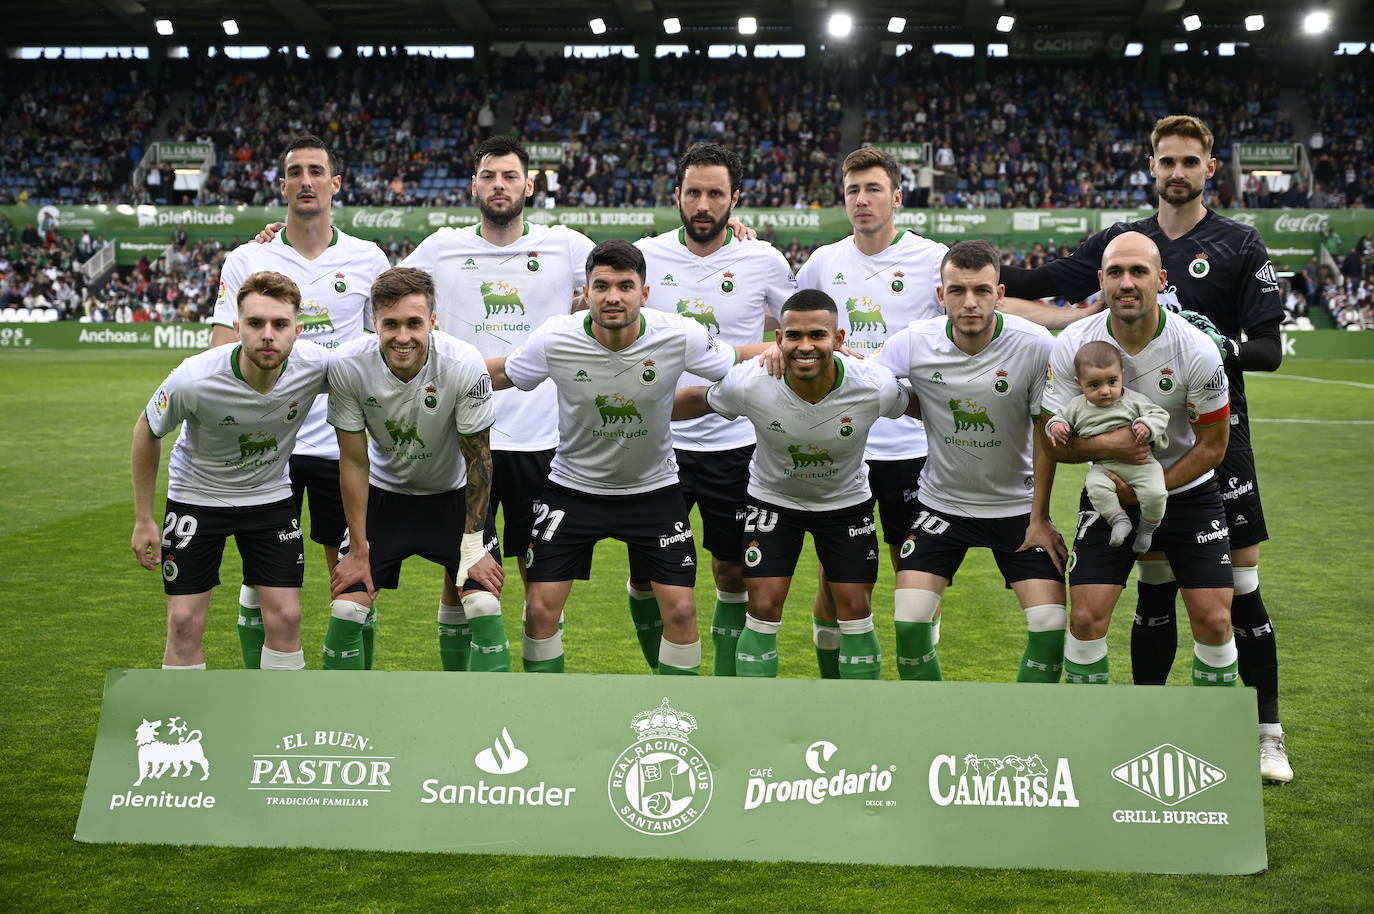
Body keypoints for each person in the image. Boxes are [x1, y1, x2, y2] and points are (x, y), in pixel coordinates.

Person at [1002, 115, 1291, 782]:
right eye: (1167, 161)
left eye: (1189, 161)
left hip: (1214, 440)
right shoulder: (1122, 242)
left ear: (1208, 168)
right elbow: (1042, 274)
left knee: (1237, 591)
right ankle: (1146, 729)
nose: (1177, 172)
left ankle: (1265, 731)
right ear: (1153, 167)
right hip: (1122, 450)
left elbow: (1269, 349)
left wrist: (1209, 345)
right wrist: (976, 271)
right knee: (1153, 585)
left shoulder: (1239, 243)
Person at [797, 147, 1092, 678]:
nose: (862, 201)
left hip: (915, 449)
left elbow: (987, 306)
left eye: (873, 190)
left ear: (897, 197)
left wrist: (1074, 317)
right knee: (835, 579)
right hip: (852, 442)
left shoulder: (934, 257)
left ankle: (923, 690)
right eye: (852, 191)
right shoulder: (823, 262)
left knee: (910, 584)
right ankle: (835, 692)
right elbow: (801, 331)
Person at [485, 239, 769, 675]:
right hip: (572, 489)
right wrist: (435, 366)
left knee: (680, 612)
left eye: (624, 286)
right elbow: (504, 372)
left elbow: (734, 360)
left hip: (653, 491)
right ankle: (543, 717)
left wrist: (786, 349)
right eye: (601, 286)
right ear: (587, 292)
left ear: (645, 292)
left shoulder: (678, 333)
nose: (612, 297)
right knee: (540, 609)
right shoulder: (556, 336)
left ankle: (679, 715)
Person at [401, 136, 594, 669]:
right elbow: (385, 292)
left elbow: (636, 273)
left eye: (510, 176)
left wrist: (733, 235)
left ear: (530, 185)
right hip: (464, 440)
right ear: (474, 186)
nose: (500, 185)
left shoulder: (565, 246)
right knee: (461, 575)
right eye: (489, 176)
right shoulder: (442, 248)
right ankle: (463, 699)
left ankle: (541, 701)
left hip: (544, 443)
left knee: (542, 583)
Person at [210, 135, 390, 669]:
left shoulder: (367, 258)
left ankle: (351, 698)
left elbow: (381, 347)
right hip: (269, 443)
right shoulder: (248, 258)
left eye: (317, 171)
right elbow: (222, 347)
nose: (306, 180)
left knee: (356, 573)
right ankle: (267, 698)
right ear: (282, 184)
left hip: (344, 442)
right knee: (259, 578)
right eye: (296, 171)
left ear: (335, 184)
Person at [672, 289, 916, 678]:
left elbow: (922, 406)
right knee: (763, 606)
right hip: (773, 501)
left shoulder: (874, 385)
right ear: (778, 339)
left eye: (817, 335)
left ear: (838, 340)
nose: (805, 346)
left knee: (854, 608)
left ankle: (854, 717)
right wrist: (641, 411)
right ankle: (754, 716)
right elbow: (700, 400)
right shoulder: (750, 382)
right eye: (794, 336)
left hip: (845, 503)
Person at [1042, 231, 1238, 690]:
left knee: (1214, 620)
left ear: (1161, 280)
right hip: (1110, 488)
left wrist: (1153, 484)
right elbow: (1055, 442)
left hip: (1188, 491)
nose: (1126, 283)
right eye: (1115, 273)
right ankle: (1088, 736)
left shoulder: (1197, 350)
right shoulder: (1073, 343)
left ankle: (1211, 742)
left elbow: (1213, 446)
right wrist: (1111, 450)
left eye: (1138, 272)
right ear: (1101, 281)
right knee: (1086, 617)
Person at [631, 143, 796, 675]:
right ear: (676, 194)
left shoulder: (763, 259)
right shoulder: (645, 256)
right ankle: (666, 682)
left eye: (716, 194)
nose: (704, 204)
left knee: (731, 569)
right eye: (694, 192)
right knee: (645, 576)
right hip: (657, 445)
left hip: (737, 444)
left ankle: (724, 684)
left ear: (735, 199)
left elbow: (796, 330)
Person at [871, 240, 1068, 683]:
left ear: (1000, 295)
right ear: (941, 296)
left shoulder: (1035, 345)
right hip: (942, 505)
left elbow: (1045, 435)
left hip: (1016, 509)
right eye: (957, 291)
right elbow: (865, 379)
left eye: (981, 290)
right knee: (910, 624)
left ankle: (1022, 735)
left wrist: (1041, 516)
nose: (970, 302)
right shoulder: (913, 343)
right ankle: (937, 726)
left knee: (1051, 629)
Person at [130, 271, 329, 671]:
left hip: (270, 499)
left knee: (287, 618)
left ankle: (280, 726)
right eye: (255, 324)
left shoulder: (317, 366)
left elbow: (377, 368)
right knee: (184, 622)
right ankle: (185, 728)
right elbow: (146, 430)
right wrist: (144, 518)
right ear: (237, 327)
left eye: (280, 324)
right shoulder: (194, 378)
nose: (268, 335)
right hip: (196, 500)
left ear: (298, 330)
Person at [325, 267, 508, 672]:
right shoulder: (348, 366)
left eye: (414, 323)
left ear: (432, 321)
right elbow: (354, 462)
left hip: (454, 497)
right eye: (390, 324)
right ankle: (342, 718)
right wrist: (357, 549)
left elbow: (479, 460)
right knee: (345, 610)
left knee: (482, 602)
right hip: (385, 499)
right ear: (374, 322)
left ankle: (485, 718)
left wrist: (473, 545)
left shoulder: (464, 363)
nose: (402, 336)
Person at [1045, 341, 1170, 554]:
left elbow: (1159, 415)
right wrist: (1057, 426)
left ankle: (1147, 529)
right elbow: (1058, 419)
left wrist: (1146, 425)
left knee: (1156, 494)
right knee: (1095, 486)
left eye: (1112, 382)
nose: (1105, 391)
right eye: (1094, 385)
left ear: (1122, 374)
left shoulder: (1134, 401)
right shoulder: (1077, 406)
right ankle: (1119, 520)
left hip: (1142, 464)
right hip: (1105, 466)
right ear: (1079, 383)